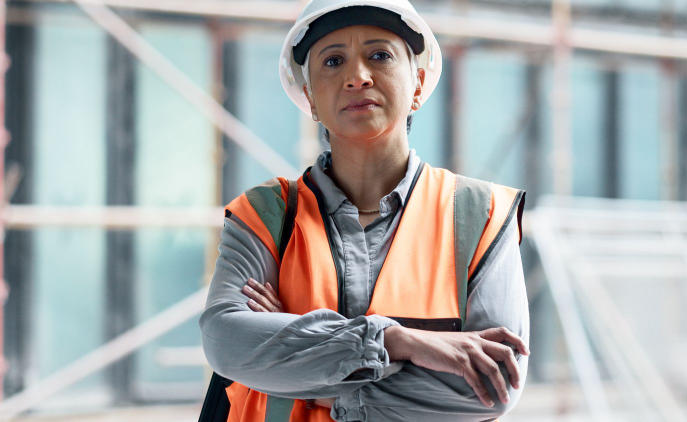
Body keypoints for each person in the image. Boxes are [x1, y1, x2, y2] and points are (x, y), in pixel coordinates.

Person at [199, 0, 530, 420]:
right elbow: (226, 342)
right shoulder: (265, 213)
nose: (357, 77)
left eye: (379, 55)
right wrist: (396, 341)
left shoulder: (481, 216)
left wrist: (300, 368)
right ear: (311, 97)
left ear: (418, 82)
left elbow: (494, 386)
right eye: (333, 61)